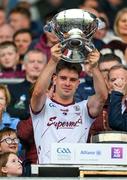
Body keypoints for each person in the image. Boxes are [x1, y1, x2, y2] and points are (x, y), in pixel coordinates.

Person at [30, 43, 108, 164]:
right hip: (47, 171)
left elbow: (102, 96)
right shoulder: (43, 105)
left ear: (78, 83)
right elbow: (38, 92)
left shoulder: (84, 108)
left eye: (72, 80)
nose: (67, 83)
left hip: (78, 172)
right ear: (54, 79)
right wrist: (53, 61)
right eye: (63, 78)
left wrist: (94, 67)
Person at [7, 49, 47, 120]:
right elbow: (8, 111)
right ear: (24, 65)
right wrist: (33, 112)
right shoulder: (11, 89)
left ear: (46, 66)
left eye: (40, 62)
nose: (36, 66)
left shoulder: (52, 89)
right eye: (32, 62)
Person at [108, 64, 127, 131]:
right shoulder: (100, 104)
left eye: (122, 79)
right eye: (113, 80)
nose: (117, 83)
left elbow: (116, 124)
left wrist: (117, 94)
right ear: (108, 83)